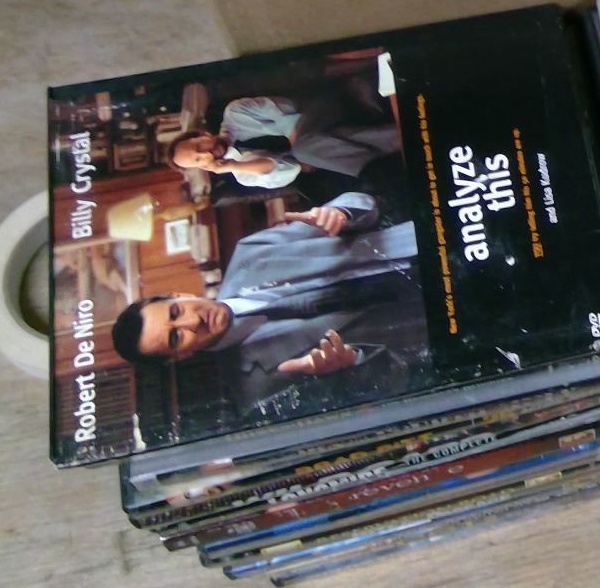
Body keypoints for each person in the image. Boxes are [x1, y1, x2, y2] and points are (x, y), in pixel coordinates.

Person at [108, 192, 429, 421]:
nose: (192, 322)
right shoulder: (257, 391)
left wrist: (341, 213)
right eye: (175, 337)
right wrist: (349, 365)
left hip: (425, 242)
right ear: (179, 356)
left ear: (178, 295)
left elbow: (366, 206)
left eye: (176, 312)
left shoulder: (250, 253)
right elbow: (391, 390)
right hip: (430, 323)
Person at [170, 88, 400, 191]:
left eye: (199, 146)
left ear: (202, 133)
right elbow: (287, 168)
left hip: (319, 110)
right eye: (198, 159)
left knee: (304, 149)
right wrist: (234, 166)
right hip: (323, 148)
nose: (207, 153)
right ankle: (399, 140)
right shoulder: (242, 174)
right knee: (307, 151)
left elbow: (288, 110)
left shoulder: (236, 113)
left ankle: (388, 163)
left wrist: (300, 150)